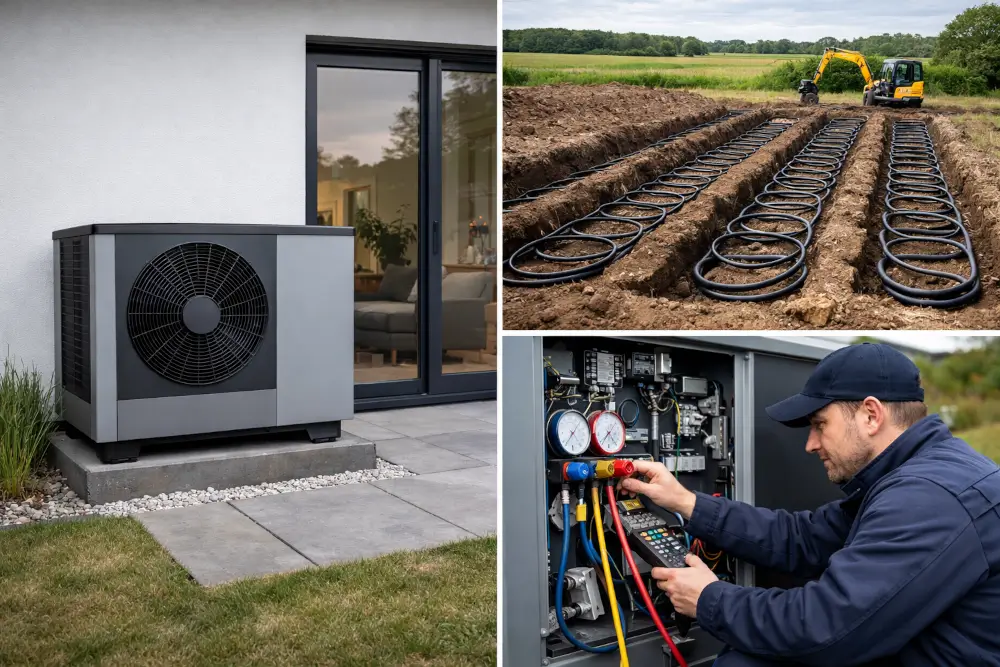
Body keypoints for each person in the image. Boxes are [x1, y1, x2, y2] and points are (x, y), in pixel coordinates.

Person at [620, 342, 1000, 666]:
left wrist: (710, 599)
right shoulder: (916, 473)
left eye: (820, 424)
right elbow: (803, 537)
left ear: (871, 415)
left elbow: (827, 628)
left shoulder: (928, 498)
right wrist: (686, 502)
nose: (811, 444)